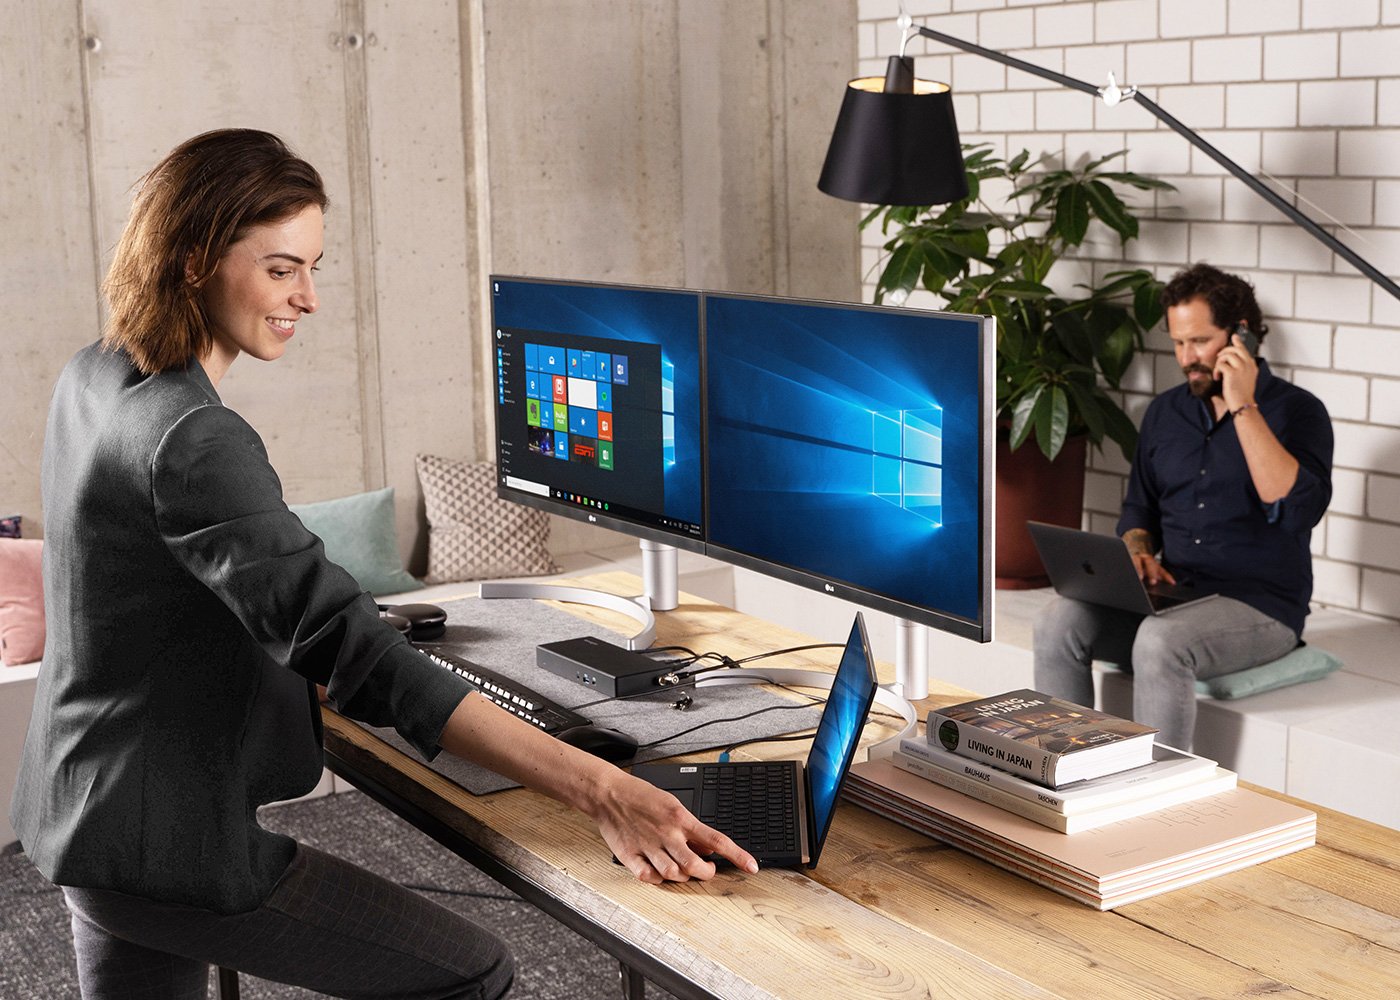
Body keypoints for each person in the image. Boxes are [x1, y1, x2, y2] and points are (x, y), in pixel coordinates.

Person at [9, 129, 756, 1000]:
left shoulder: (95, 374)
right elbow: (350, 654)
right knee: (469, 974)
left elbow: (179, 586)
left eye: (312, 267)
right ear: (191, 260)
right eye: (282, 269)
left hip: (83, 813)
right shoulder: (192, 437)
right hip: (159, 844)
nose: (309, 298)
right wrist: (601, 788)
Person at [1033, 262, 1333, 751]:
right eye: (1177, 343)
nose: (1187, 357)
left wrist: (1243, 406)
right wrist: (1137, 550)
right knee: (1056, 620)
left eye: (1200, 341)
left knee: (1159, 640)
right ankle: (1063, 769)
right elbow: (1138, 511)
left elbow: (1297, 510)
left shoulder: (1299, 412)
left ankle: (1160, 799)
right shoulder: (1165, 413)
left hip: (1263, 606)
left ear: (1243, 336)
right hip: (1173, 596)